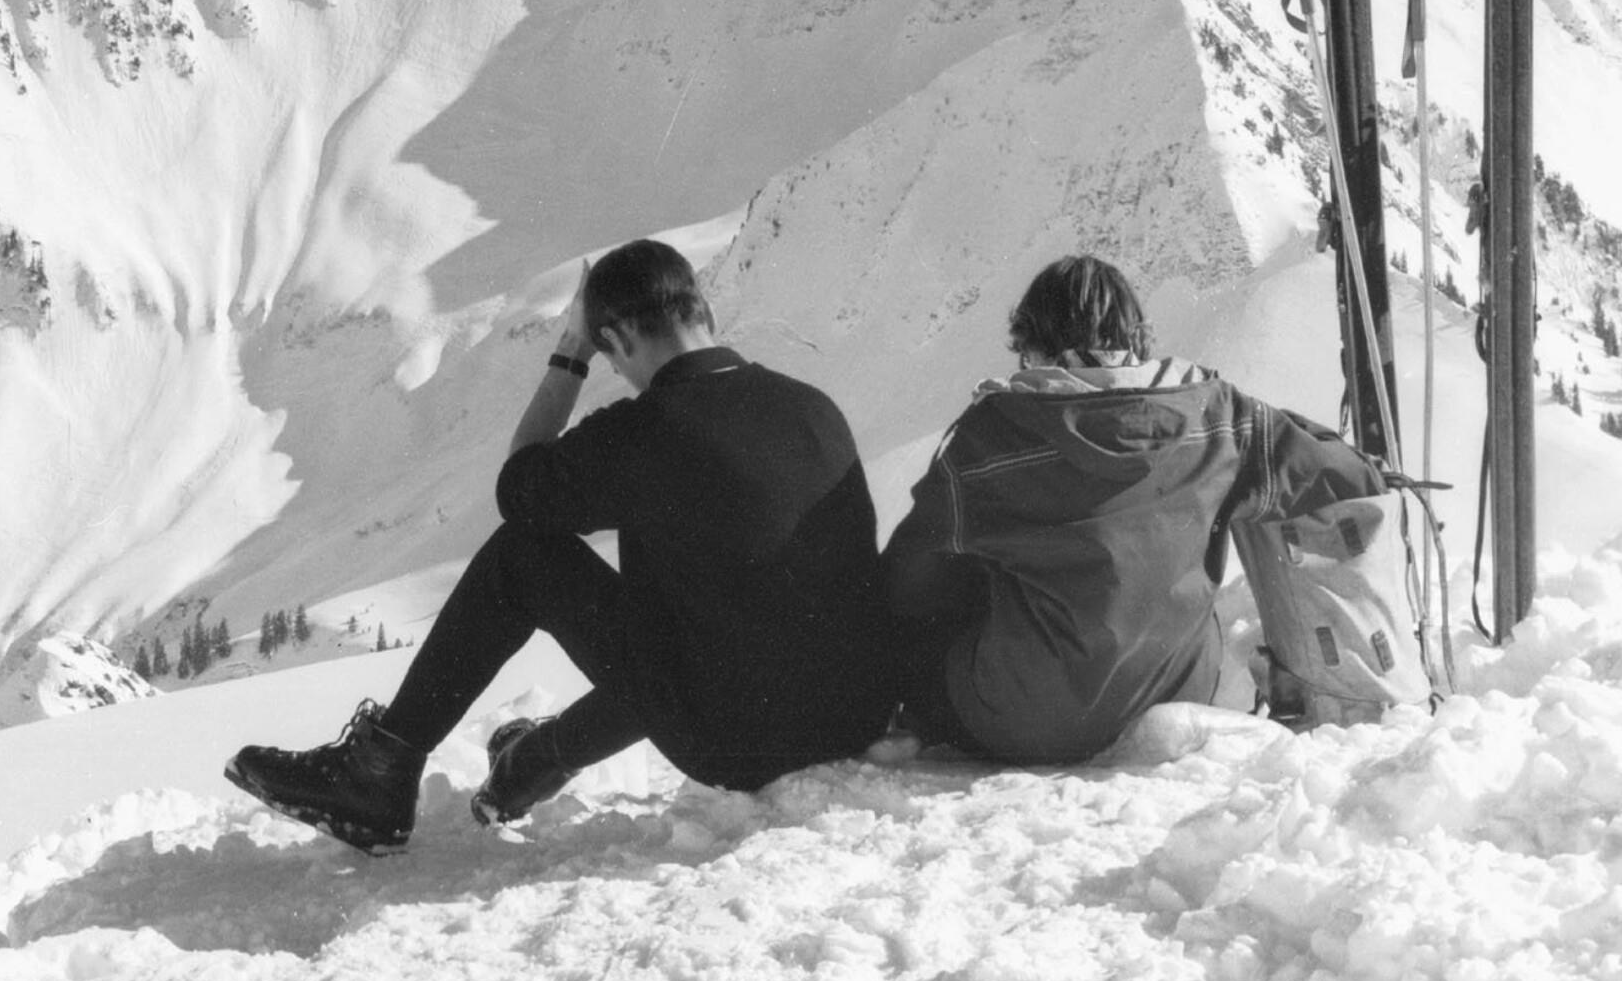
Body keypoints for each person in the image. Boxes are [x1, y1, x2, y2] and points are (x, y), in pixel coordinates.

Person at [225, 239, 900, 853]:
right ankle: (526, 761)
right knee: (703, 602)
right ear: (704, 312)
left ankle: (380, 770)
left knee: (523, 556)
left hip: (737, 744)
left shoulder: (645, 432)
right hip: (851, 714)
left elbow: (520, 493)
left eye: (606, 352)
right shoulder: (813, 408)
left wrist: (567, 357)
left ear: (615, 339)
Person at [882, 254, 1389, 765]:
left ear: (1033, 346)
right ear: (1136, 336)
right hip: (1179, 694)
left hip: (1030, 721)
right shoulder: (1218, 416)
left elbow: (905, 578)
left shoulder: (991, 436)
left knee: (941, 604)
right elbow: (1340, 472)